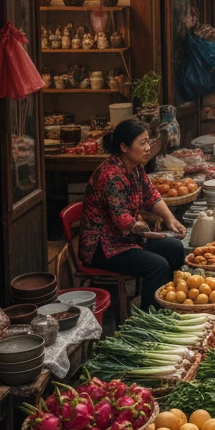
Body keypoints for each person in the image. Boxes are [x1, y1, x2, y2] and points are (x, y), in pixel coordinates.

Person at [79, 119, 186, 310]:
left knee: (175, 247)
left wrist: (170, 219)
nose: (147, 148)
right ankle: (150, 317)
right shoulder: (110, 174)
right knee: (157, 265)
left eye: (148, 142)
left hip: (126, 240)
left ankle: (170, 302)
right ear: (124, 147)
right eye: (142, 143)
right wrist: (142, 229)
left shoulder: (135, 168)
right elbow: (123, 221)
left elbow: (151, 195)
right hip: (103, 248)